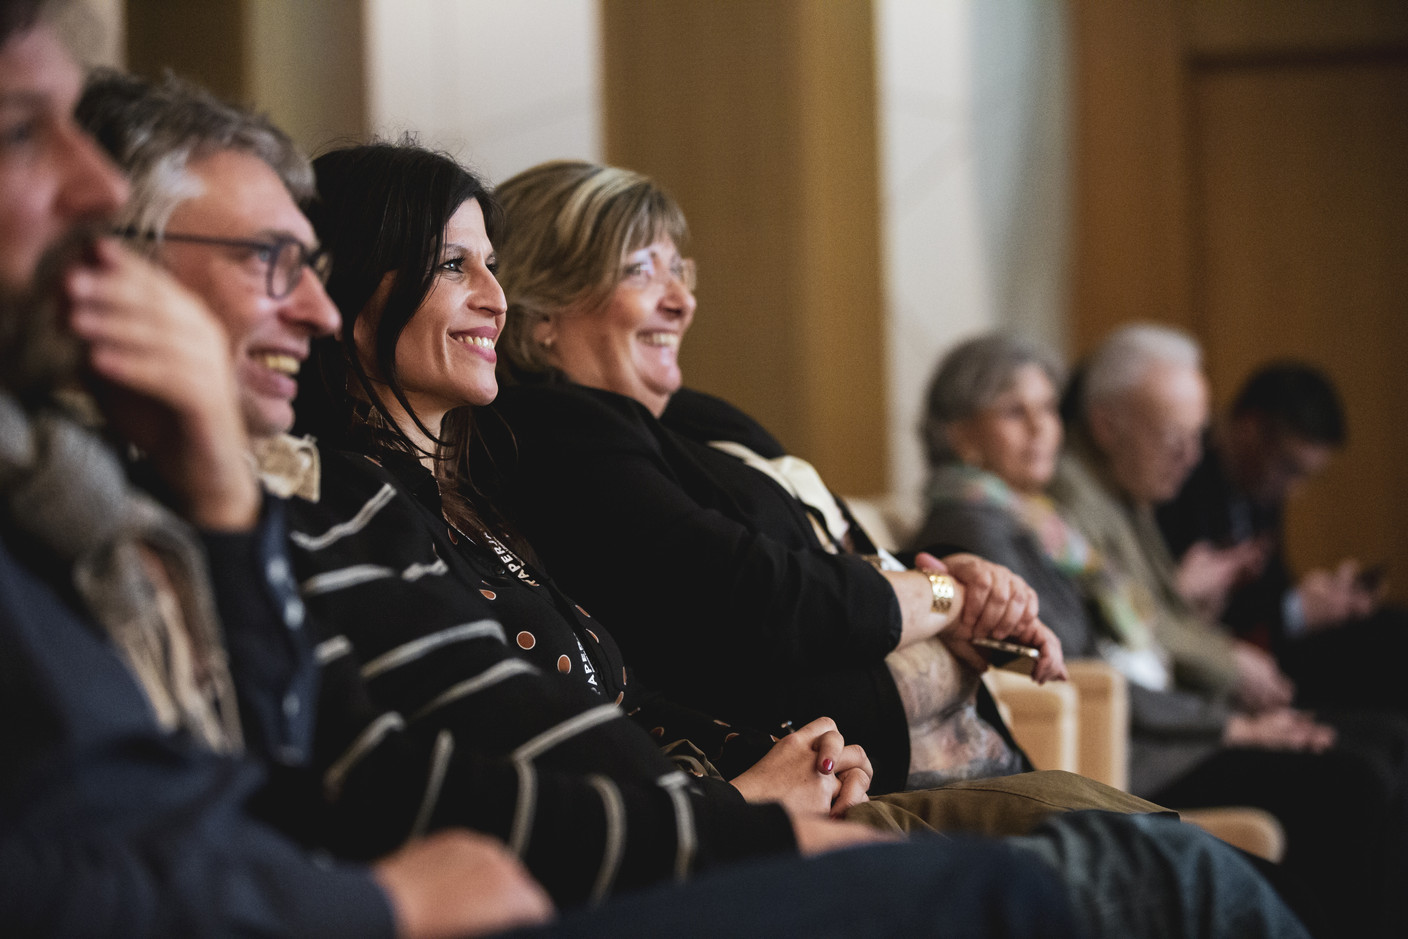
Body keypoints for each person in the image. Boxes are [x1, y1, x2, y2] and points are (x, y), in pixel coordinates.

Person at [16, 23, 1096, 939]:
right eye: (274, 264)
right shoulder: (401, 480)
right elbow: (751, 602)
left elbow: (322, 746)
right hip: (571, 860)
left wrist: (736, 773)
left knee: (1112, 866)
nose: (312, 308)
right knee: (1055, 881)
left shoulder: (391, 496)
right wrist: (729, 807)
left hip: (679, 815)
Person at [479, 159, 1065, 795]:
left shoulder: (697, 419)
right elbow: (757, 590)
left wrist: (964, 576)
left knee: (1153, 851)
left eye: (680, 269)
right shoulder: (552, 430)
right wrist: (943, 596)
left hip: (957, 760)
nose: (681, 301)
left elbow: (830, 557)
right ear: (540, 313)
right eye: (641, 271)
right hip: (855, 784)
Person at [912, 332, 1408, 937]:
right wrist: (1233, 724)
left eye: (1047, 408)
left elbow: (1130, 637)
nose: (1044, 429)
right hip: (1135, 749)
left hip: (1157, 724)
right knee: (1357, 782)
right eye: (1017, 413)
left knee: (1378, 755)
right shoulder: (972, 524)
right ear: (959, 433)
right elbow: (1079, 664)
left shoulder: (1034, 518)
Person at [1157, 360, 1408, 714]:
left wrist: (1323, 599)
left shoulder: (1260, 490)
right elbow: (1175, 614)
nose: (1295, 490)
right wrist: (1294, 611)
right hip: (1212, 661)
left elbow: (1271, 589)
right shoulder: (1179, 482)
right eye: (1290, 470)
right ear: (1250, 428)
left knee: (1390, 631)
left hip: (1263, 647)